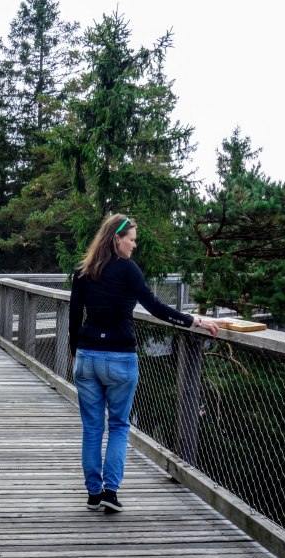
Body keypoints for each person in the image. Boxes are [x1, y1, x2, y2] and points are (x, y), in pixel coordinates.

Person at [69, 213, 219, 513]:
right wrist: (193, 320)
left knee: (92, 428)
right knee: (119, 425)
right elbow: (156, 308)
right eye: (132, 240)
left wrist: (78, 354)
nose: (134, 246)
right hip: (120, 358)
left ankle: (93, 494)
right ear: (117, 239)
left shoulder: (83, 272)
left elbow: (74, 320)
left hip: (87, 357)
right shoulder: (128, 271)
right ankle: (111, 492)